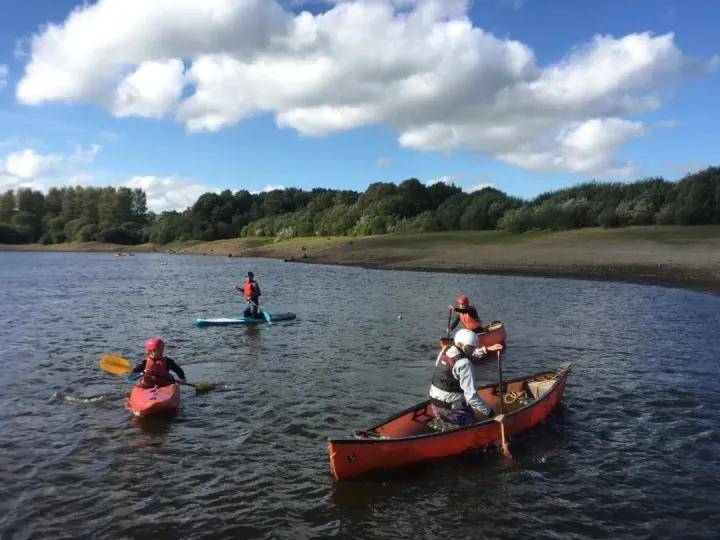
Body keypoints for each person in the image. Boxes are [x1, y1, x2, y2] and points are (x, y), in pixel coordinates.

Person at [429, 329, 503, 426]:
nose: (473, 350)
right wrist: (493, 414)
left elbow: (465, 356)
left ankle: (442, 420)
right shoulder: (465, 364)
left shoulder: (446, 350)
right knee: (472, 418)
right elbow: (471, 398)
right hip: (451, 409)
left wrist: (487, 349)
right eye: (471, 348)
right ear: (464, 346)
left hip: (435, 404)